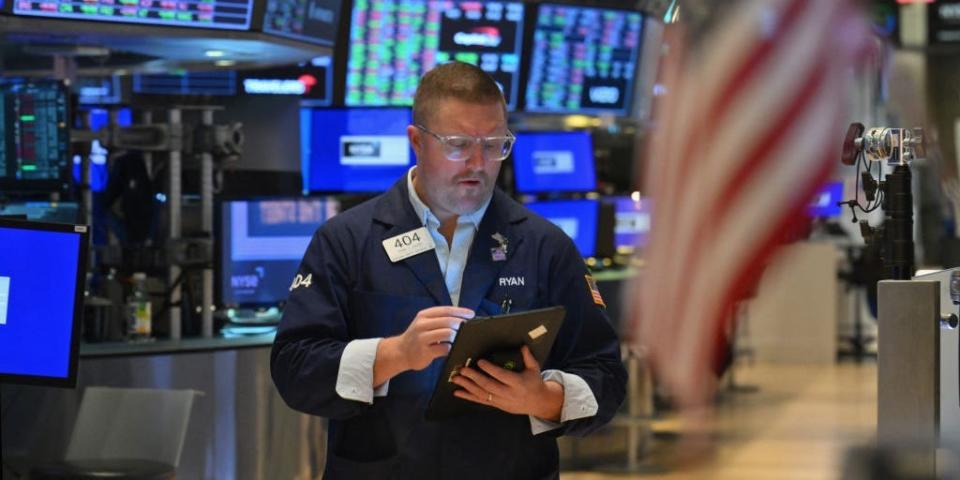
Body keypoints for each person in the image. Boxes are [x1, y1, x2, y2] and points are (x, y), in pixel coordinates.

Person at [271, 62, 627, 479]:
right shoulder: (347, 240)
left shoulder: (545, 246)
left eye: (494, 144)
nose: (477, 163)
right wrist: (393, 355)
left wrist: (545, 398)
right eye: (458, 144)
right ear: (416, 142)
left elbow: (606, 375)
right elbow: (295, 368)